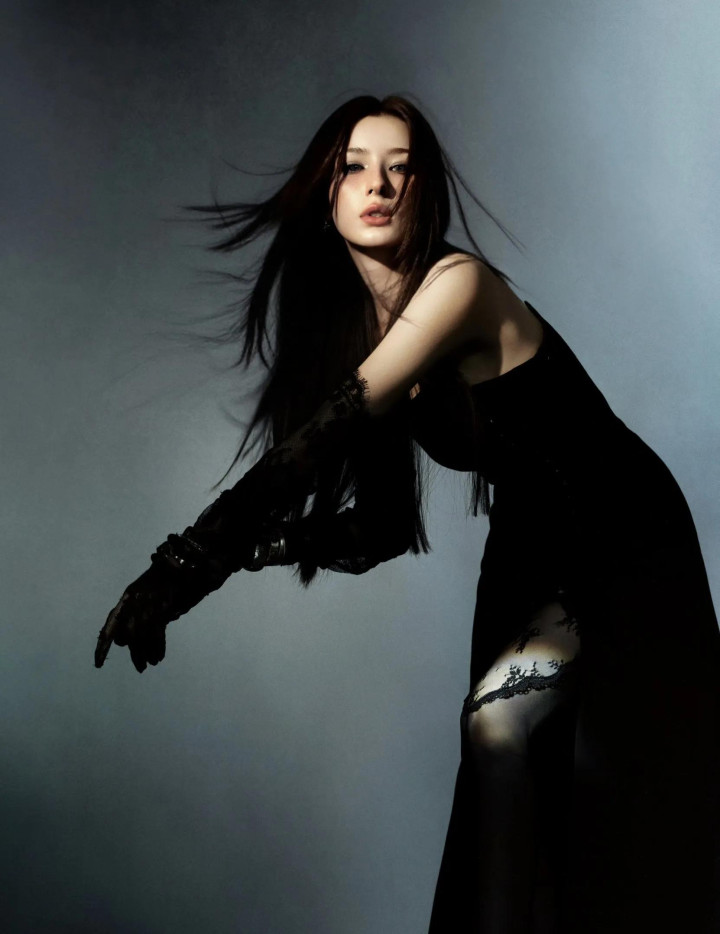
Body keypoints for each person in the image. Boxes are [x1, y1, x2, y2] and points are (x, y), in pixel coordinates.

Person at [94, 95, 720, 933]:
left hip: (620, 533)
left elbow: (315, 443)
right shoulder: (371, 330)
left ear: (425, 189)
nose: (378, 185)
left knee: (518, 736)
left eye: (401, 168)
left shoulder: (458, 288)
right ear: (326, 191)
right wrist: (247, 553)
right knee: (505, 751)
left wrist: (180, 569)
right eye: (354, 166)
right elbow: (383, 528)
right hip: (532, 553)